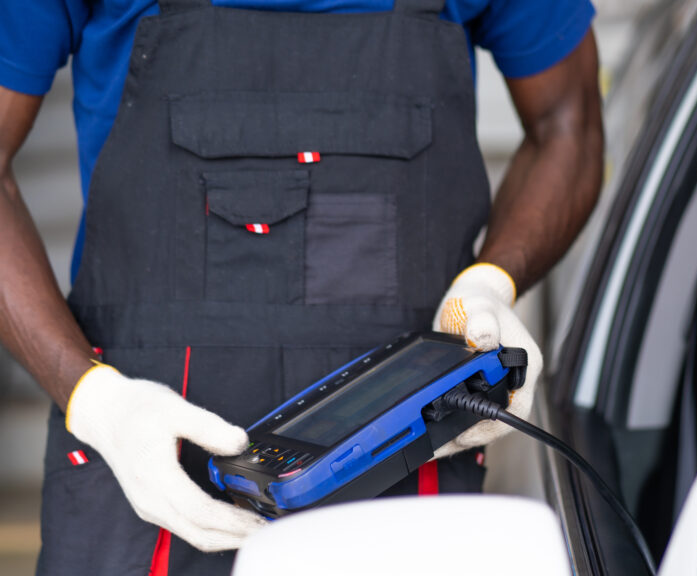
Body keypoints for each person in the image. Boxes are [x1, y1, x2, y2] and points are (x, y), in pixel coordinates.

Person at [0, 0, 604, 574]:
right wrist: (95, 401)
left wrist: (492, 280)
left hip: (406, 459)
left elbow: (568, 123)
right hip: (143, 469)